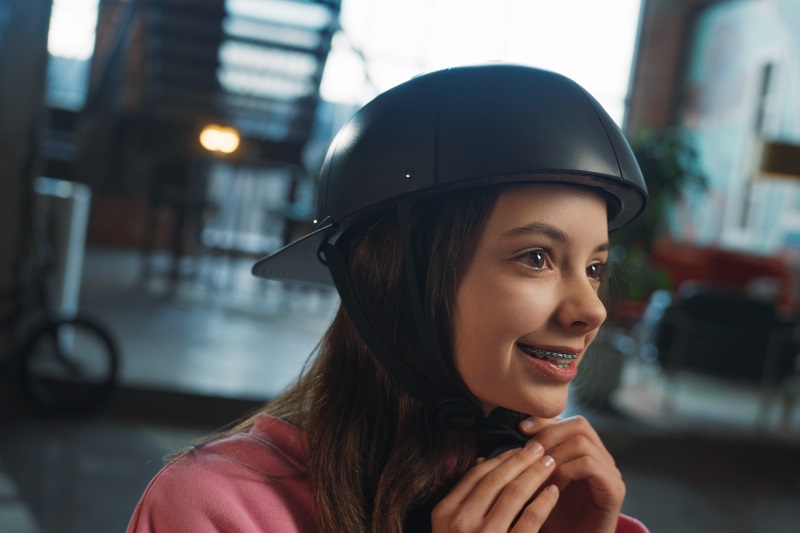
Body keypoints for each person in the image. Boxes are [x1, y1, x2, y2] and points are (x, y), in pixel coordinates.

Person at [128, 64, 650, 532]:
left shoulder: (565, 506)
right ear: (395, 279)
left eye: (595, 269)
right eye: (536, 258)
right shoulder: (211, 508)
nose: (592, 310)